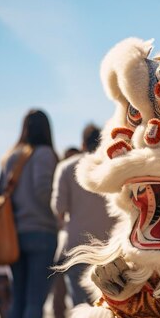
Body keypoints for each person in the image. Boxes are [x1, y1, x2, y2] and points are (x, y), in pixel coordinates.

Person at [0, 109, 58, 318]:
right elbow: (45, 190)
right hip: (41, 233)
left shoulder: (11, 155)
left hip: (13, 235)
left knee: (18, 300)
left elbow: (0, 195)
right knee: (35, 300)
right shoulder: (45, 154)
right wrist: (58, 214)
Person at [51, 125, 115, 305]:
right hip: (107, 250)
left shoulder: (66, 167)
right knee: (106, 308)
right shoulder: (112, 166)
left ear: (82, 143)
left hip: (77, 248)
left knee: (79, 307)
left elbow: (59, 207)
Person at [50, 146, 81, 318]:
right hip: (102, 245)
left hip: (70, 246)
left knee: (71, 302)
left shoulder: (65, 168)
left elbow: (58, 209)